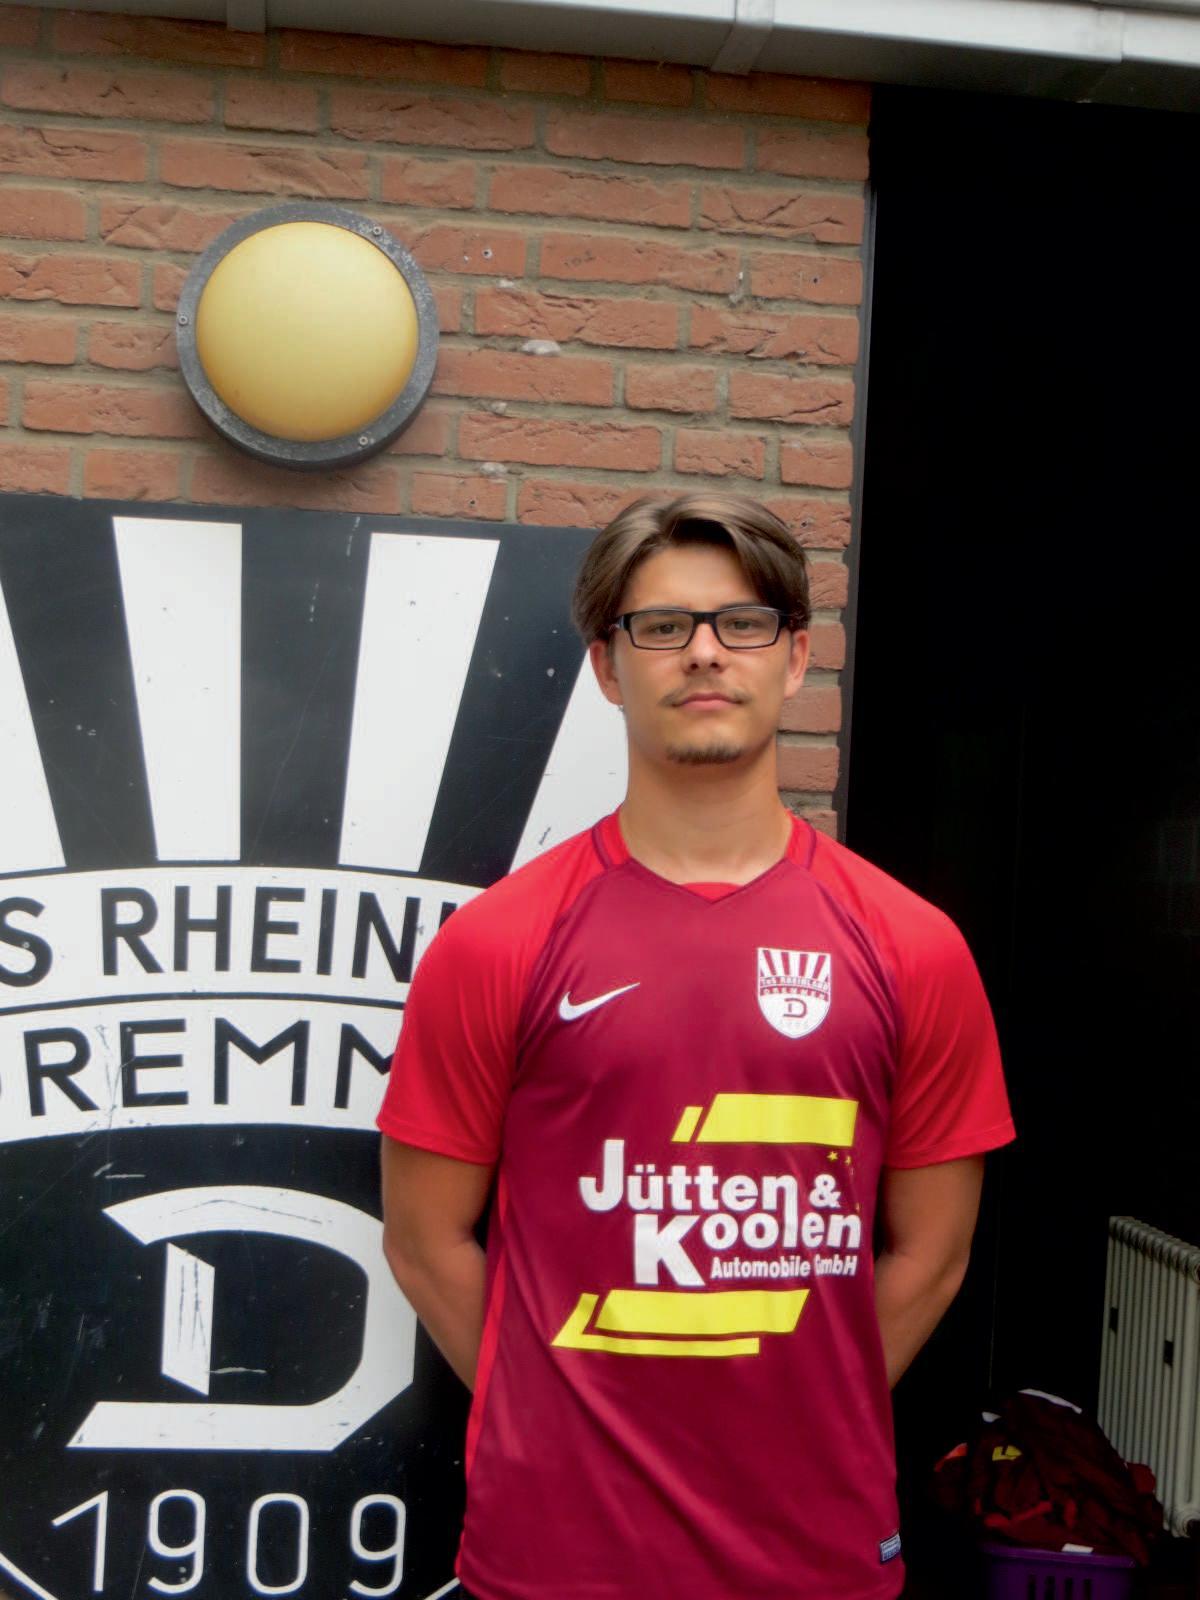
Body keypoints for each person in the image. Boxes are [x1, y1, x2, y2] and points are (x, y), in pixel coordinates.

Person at [377, 489, 1015, 1600]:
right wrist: (558, 1416)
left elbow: (933, 1254)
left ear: (797, 655)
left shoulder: (913, 945)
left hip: (814, 1552)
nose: (705, 652)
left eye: (743, 622)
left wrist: (803, 1411)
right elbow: (427, 1243)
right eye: (662, 625)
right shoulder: (497, 943)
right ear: (607, 666)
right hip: (555, 1555)